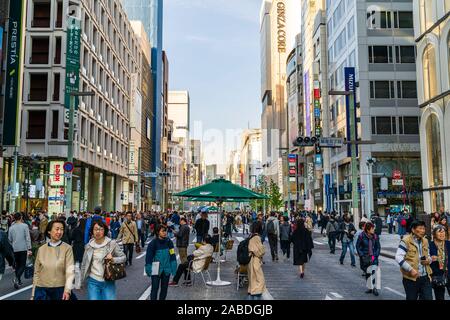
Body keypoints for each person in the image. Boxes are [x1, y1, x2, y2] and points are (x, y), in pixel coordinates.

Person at [80, 219, 126, 300]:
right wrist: (80, 281)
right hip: (93, 281)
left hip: (108, 281)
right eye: (96, 229)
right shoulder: (88, 246)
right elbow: (84, 264)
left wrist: (113, 259)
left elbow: (123, 258)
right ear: (92, 231)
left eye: (101, 229)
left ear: (104, 231)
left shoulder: (112, 244)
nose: (98, 231)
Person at [31, 220, 76, 300]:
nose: (59, 232)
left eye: (62, 229)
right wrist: (33, 294)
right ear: (49, 231)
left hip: (60, 290)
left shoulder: (67, 248)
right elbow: (36, 273)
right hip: (42, 290)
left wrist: (67, 290)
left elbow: (70, 271)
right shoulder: (41, 249)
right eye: (57, 229)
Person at [395, 220, 433, 300]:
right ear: (413, 229)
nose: (423, 231)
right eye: (420, 228)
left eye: (424, 229)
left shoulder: (425, 241)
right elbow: (398, 257)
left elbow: (428, 255)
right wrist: (410, 269)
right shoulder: (405, 241)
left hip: (425, 277)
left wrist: (429, 260)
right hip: (411, 278)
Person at [145, 225, 177, 300]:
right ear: (157, 232)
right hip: (156, 270)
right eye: (162, 231)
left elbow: (172, 254)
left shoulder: (169, 242)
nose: (165, 233)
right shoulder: (153, 243)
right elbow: (149, 257)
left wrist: (173, 265)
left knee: (164, 289)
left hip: (166, 269)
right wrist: (148, 267)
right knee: (154, 289)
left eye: (165, 231)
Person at [356, 222, 381, 296]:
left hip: (373, 256)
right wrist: (361, 255)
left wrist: (376, 255)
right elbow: (358, 246)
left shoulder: (375, 236)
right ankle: (370, 287)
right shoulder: (361, 236)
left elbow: (378, 247)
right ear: (367, 229)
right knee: (367, 273)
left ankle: (374, 288)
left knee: (373, 271)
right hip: (365, 257)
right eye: (372, 228)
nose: (373, 230)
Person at [8, 213, 32, 289]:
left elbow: (9, 239)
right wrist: (29, 248)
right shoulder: (25, 226)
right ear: (21, 217)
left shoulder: (11, 227)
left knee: (17, 265)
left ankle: (18, 280)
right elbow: (27, 237)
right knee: (22, 265)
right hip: (23, 248)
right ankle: (16, 278)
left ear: (14, 218)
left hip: (14, 248)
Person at [429, 225, 450, 300]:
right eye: (439, 232)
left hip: (449, 273)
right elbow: (425, 259)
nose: (442, 233)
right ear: (434, 234)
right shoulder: (430, 245)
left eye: (443, 231)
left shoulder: (448, 244)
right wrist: (430, 259)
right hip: (437, 275)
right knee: (440, 297)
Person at [247, 222, 266, 300]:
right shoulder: (257, 237)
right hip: (255, 260)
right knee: (259, 279)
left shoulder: (251, 236)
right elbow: (260, 251)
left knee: (252, 279)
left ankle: (252, 293)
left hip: (250, 260)